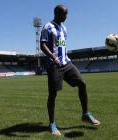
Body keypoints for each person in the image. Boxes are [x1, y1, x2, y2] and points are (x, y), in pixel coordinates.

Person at [40, 5, 100, 135]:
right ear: (57, 12)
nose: (66, 16)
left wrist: (62, 58)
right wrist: (54, 57)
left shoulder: (64, 29)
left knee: (82, 83)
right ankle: (52, 125)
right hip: (54, 65)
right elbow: (42, 45)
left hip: (67, 63)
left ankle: (85, 114)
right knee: (53, 94)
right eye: (64, 13)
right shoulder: (47, 27)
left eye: (67, 14)